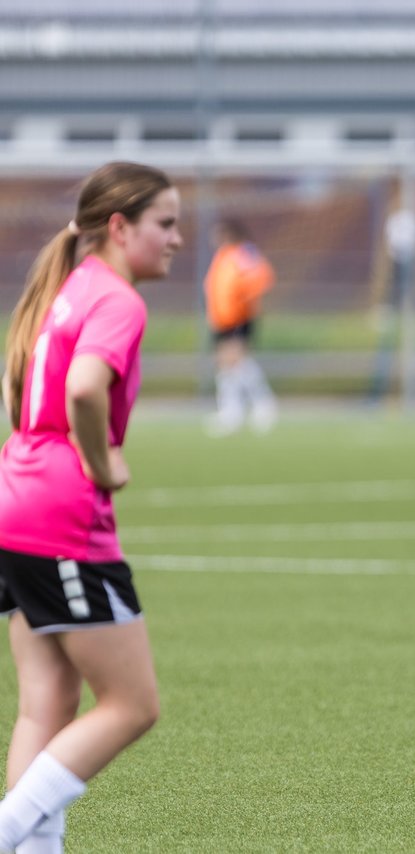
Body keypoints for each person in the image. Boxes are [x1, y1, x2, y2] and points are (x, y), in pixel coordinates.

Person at [0, 161, 181, 853]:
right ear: (119, 226)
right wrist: (103, 463)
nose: (175, 238)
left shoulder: (68, 287)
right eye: (164, 223)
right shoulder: (117, 299)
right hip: (60, 517)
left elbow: (21, 382)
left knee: (45, 708)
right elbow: (82, 389)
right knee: (134, 706)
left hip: (15, 498)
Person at [204, 217, 276, 435]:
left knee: (235, 362)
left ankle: (260, 406)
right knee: (229, 365)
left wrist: (243, 300)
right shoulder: (223, 256)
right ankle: (234, 410)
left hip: (238, 316)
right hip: (221, 317)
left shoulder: (244, 252)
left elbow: (260, 278)